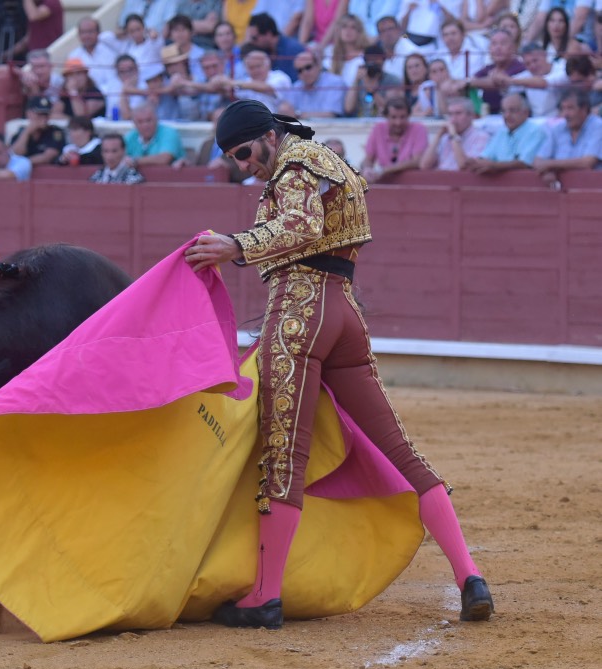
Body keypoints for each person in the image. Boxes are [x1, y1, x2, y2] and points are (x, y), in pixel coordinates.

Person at [183, 98, 494, 629]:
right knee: (401, 450)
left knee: (285, 458)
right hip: (344, 310)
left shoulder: (296, 163)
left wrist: (235, 244)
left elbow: (301, 227)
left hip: (301, 314)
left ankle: (265, 596)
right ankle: (470, 575)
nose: (243, 165)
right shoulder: (328, 160)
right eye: (233, 159)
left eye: (243, 152)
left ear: (268, 134)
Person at [532, 88, 602, 186]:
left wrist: (550, 165)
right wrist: (548, 171)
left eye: (570, 108)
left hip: (593, 188)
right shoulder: (558, 129)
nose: (565, 114)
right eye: (563, 109)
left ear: (584, 109)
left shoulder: (598, 127)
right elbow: (537, 161)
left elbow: (587, 162)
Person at [466, 91, 547, 173]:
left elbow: (524, 163)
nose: (507, 115)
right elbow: (486, 156)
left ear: (526, 112)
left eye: (512, 111)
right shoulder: (502, 131)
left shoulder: (536, 131)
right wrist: (477, 163)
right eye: (504, 111)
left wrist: (494, 166)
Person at [361, 96, 429, 182]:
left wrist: (384, 170)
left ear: (409, 116)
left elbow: (417, 161)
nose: (398, 122)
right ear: (386, 117)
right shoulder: (378, 129)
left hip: (412, 182)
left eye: (402, 117)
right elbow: (368, 159)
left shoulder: (419, 129)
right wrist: (367, 169)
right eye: (393, 117)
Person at [459, 28, 526, 114]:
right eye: (494, 44)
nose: (498, 48)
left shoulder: (520, 67)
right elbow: (469, 80)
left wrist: (469, 83)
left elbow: (498, 82)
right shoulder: (489, 68)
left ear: (513, 47)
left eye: (503, 43)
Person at [419, 96, 491, 169]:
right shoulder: (445, 137)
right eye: (450, 114)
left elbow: (464, 166)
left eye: (458, 113)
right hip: (441, 177)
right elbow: (424, 165)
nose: (453, 119)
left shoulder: (481, 137)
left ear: (471, 116)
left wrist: (454, 136)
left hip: (460, 179)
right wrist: (438, 136)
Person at [278, 49, 347, 117]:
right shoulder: (296, 87)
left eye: (308, 67)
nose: (304, 73)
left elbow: (330, 115)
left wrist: (298, 115)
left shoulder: (334, 83)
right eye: (299, 70)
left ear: (318, 65)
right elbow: (285, 110)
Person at [510, 41, 569, 117]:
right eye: (527, 64)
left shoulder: (562, 66)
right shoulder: (527, 75)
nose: (532, 66)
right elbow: (507, 85)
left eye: (535, 60)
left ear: (544, 55)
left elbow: (544, 83)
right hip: (535, 122)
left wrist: (509, 80)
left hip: (560, 119)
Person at [344, 43, 404, 116]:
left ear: (383, 60)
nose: (373, 63)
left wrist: (373, 91)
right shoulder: (360, 80)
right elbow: (348, 108)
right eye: (370, 60)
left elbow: (392, 111)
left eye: (376, 60)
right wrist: (356, 80)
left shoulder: (392, 80)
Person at [231, 45, 292, 112]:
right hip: (253, 119)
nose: (256, 71)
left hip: (278, 120)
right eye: (251, 68)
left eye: (258, 66)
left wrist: (233, 83)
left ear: (268, 65)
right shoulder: (246, 82)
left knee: (284, 108)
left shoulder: (279, 76)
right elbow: (233, 93)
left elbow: (267, 88)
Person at [246, 12, 305, 82]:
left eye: (254, 38)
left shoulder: (293, 50)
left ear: (268, 34)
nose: (252, 42)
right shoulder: (261, 50)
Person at [10, 95, 67, 165]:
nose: (44, 118)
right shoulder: (21, 132)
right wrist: (27, 132)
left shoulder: (55, 132)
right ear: (29, 114)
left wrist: (23, 163)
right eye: (40, 114)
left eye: (46, 114)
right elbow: (17, 153)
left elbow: (48, 156)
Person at [68, 16, 120, 91]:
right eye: (83, 32)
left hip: (113, 95)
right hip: (88, 99)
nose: (86, 36)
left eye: (90, 32)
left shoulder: (110, 49)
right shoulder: (73, 56)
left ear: (98, 33)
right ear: (78, 35)